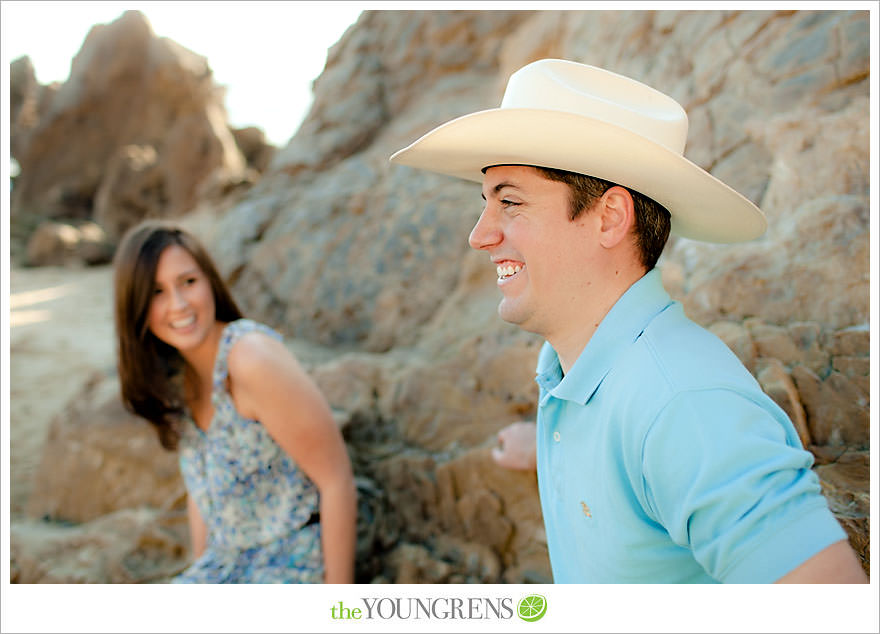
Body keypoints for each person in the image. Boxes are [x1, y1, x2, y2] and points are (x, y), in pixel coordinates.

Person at [390, 59, 866, 583]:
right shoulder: (584, 372)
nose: (480, 235)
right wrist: (550, 447)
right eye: (486, 204)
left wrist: (652, 440)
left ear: (610, 218)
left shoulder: (684, 405)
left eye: (511, 202)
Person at [113, 220, 357, 583]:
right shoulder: (178, 374)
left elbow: (336, 481)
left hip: (289, 565)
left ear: (210, 281)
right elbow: (201, 494)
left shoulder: (250, 358)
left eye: (188, 282)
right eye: (156, 292)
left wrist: (341, 611)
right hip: (226, 565)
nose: (178, 305)